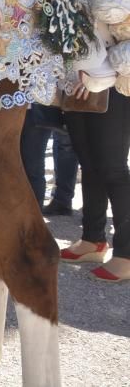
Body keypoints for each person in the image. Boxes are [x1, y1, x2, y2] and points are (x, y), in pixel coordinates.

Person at [57, 82, 130, 282]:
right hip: (75, 80)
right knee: (88, 164)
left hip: (115, 81)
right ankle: (93, 238)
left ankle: (126, 253)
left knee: (113, 167)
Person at [19, 103, 79, 211]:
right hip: (25, 108)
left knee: (33, 167)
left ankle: (34, 216)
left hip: (36, 109)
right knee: (30, 167)